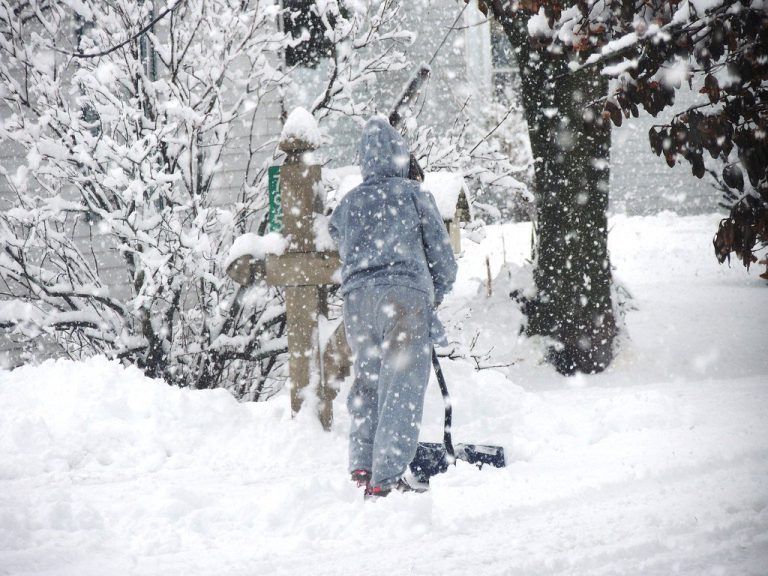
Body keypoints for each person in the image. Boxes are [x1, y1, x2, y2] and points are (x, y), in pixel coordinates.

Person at [328, 116, 457, 498]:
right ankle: (386, 477)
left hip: (357, 303)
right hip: (403, 296)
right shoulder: (413, 195)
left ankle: (363, 462)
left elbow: (337, 234)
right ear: (401, 155)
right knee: (401, 387)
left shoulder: (349, 203)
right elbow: (442, 256)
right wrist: (435, 291)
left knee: (368, 382)